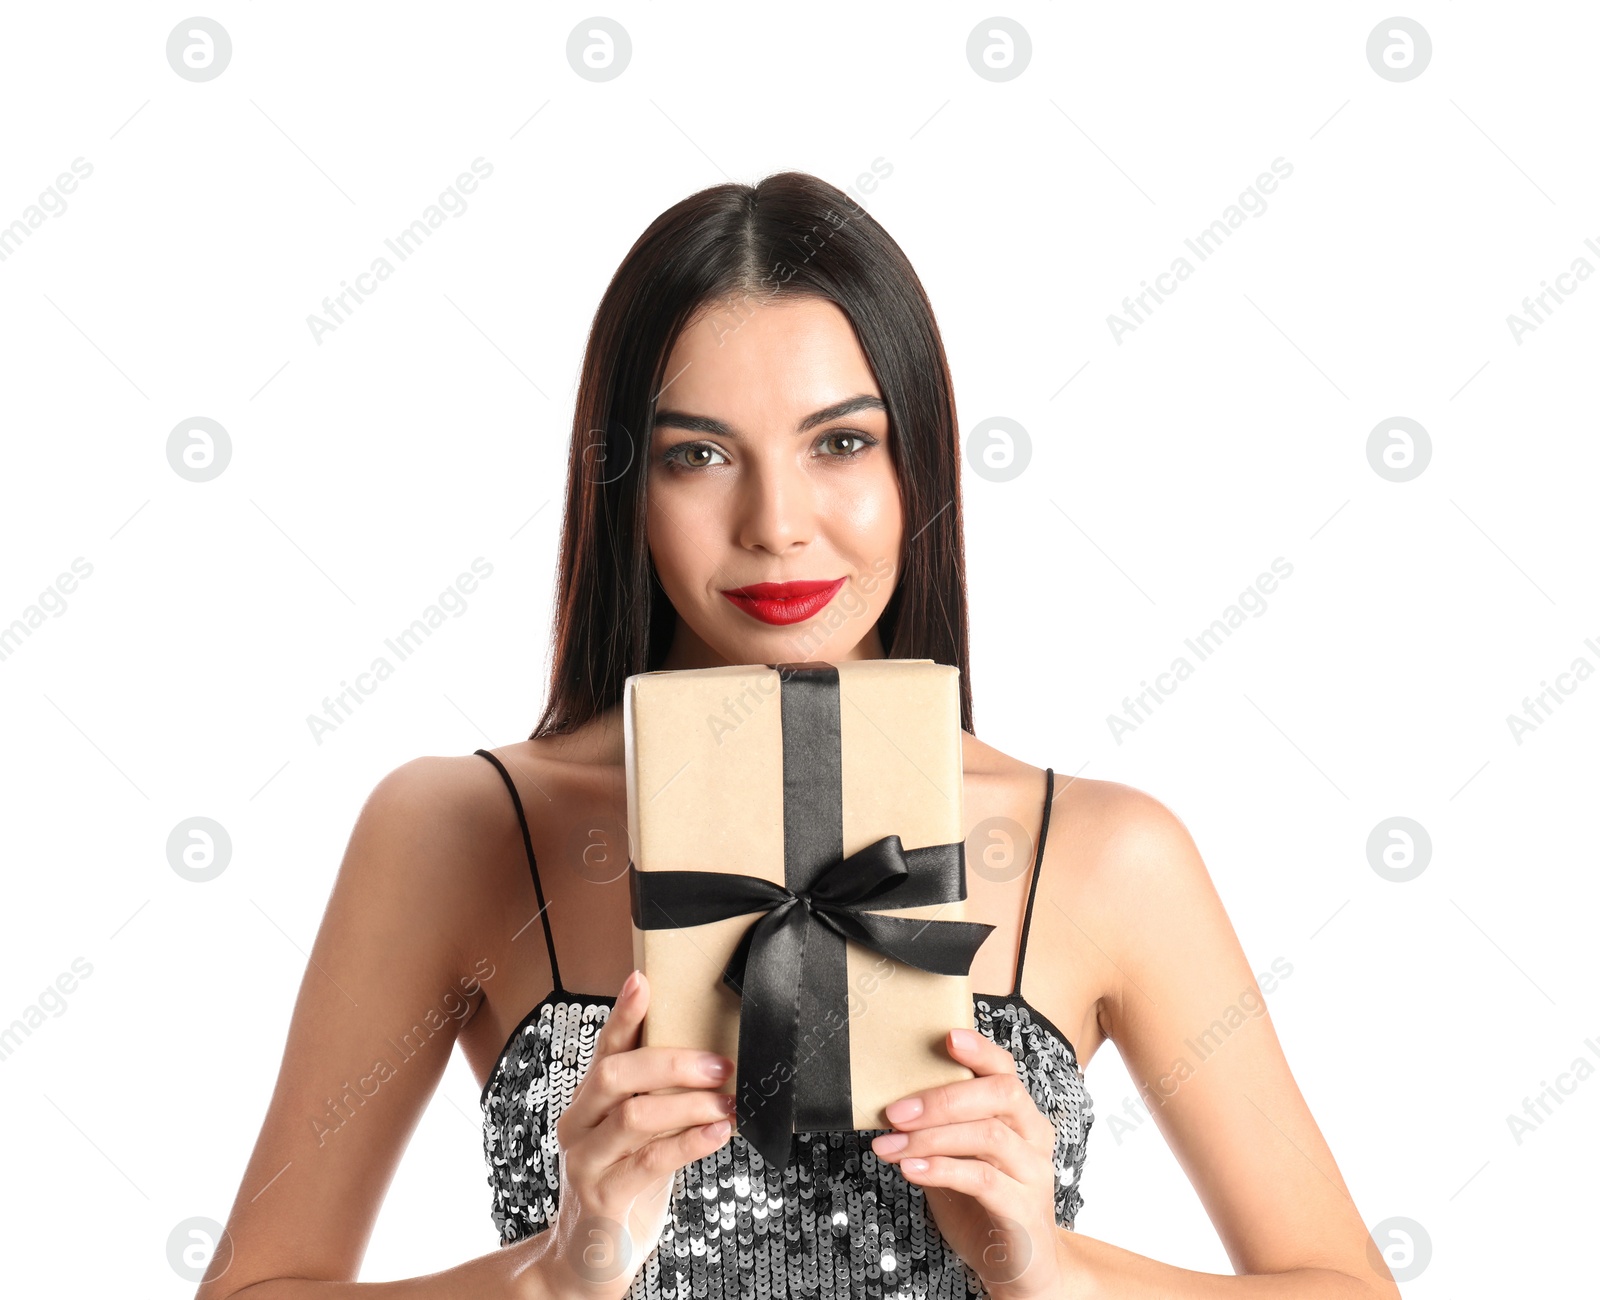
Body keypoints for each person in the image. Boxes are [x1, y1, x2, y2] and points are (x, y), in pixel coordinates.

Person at [197, 172, 1400, 1300]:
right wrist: (554, 1272)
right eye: (699, 455)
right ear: (624, 483)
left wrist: (1054, 1267)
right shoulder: (455, 830)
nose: (777, 524)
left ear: (913, 459)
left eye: (839, 442)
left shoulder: (1106, 851)